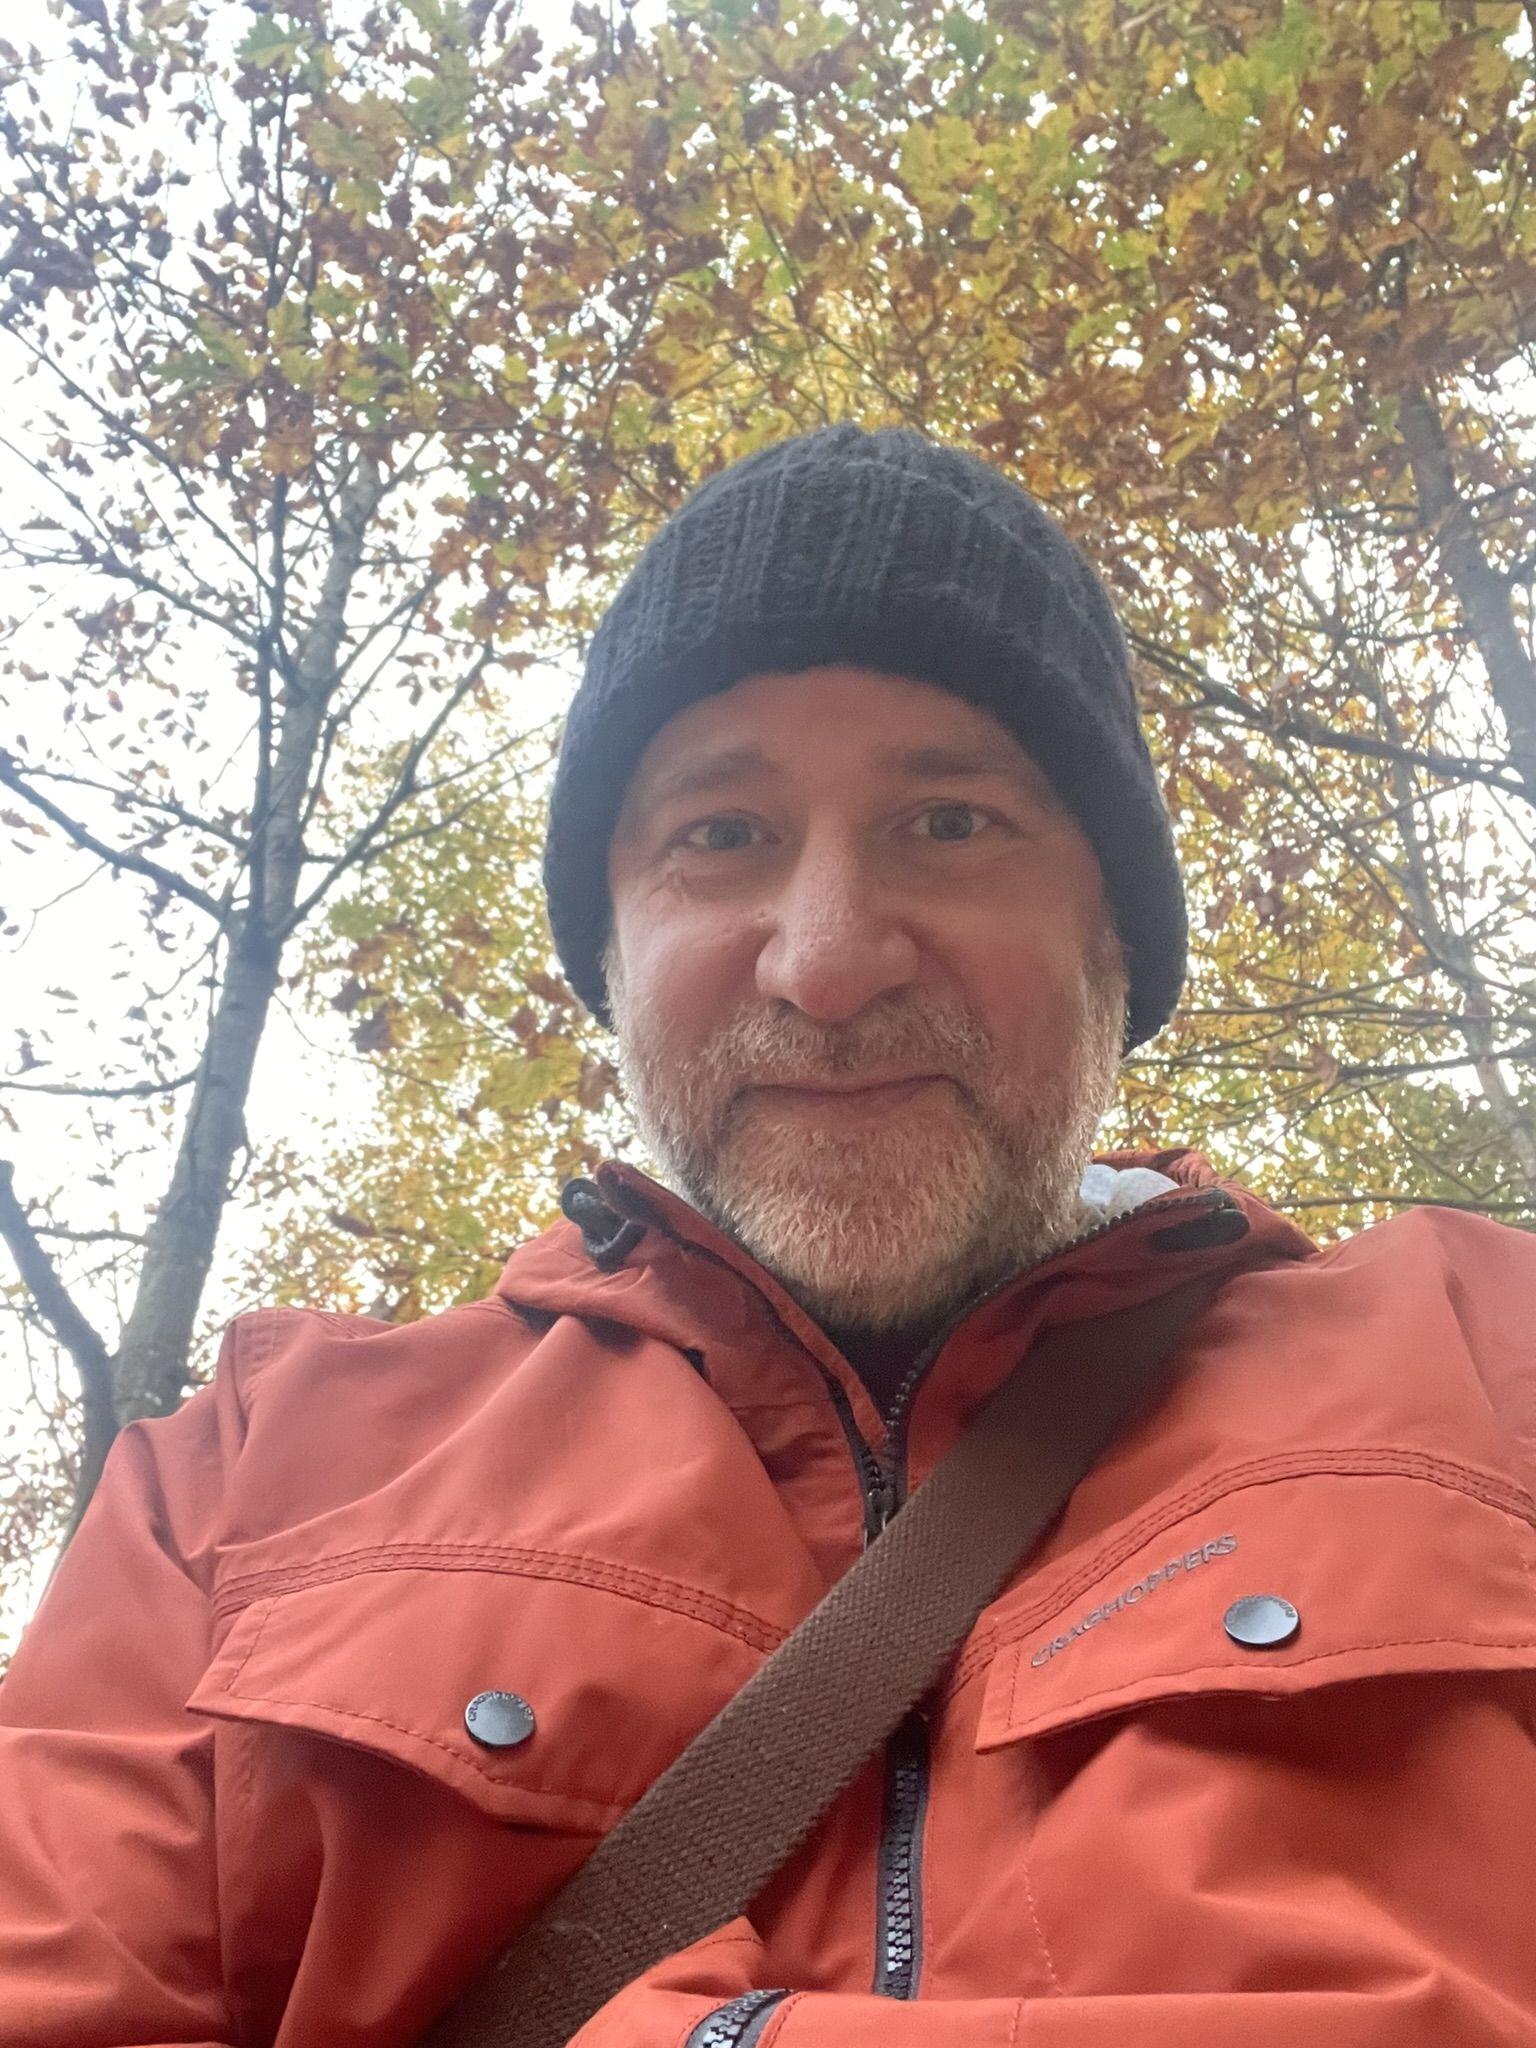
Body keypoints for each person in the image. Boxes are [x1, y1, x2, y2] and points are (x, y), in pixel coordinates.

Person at [2, 423, 1535, 2048]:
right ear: (614, 958)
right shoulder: (244, 1475)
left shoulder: (1486, 1358)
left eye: (948, 822)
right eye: (719, 835)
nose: (826, 962)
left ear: (1114, 934)